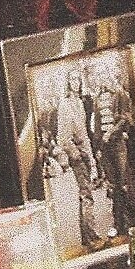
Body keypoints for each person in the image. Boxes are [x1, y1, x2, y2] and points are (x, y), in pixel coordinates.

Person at [46, 68, 98, 245]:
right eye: (72, 80)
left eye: (78, 79)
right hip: (77, 156)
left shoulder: (79, 102)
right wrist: (76, 155)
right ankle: (89, 237)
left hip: (85, 152)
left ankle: (89, 235)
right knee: (86, 195)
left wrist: (90, 157)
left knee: (86, 194)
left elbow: (84, 132)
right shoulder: (65, 104)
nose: (76, 83)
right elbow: (63, 137)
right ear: (68, 83)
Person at [91, 69, 135, 238]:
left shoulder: (120, 95)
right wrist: (98, 147)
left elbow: (125, 118)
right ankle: (119, 223)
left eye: (104, 76)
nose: (102, 80)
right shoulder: (97, 99)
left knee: (123, 183)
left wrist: (111, 133)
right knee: (113, 186)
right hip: (105, 147)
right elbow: (97, 126)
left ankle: (131, 221)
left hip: (117, 143)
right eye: (99, 77)